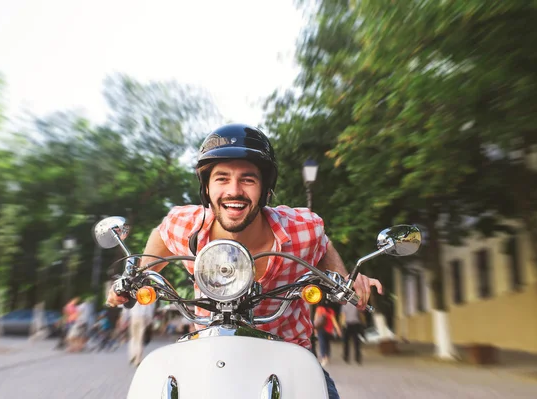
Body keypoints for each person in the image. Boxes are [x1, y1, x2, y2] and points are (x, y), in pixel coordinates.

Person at [106, 123, 383, 399]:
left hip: (289, 356)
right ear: (206, 189)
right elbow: (162, 235)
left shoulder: (302, 228)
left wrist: (347, 279)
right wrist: (138, 275)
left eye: (248, 179)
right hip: (210, 353)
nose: (234, 190)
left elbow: (322, 246)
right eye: (222, 178)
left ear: (265, 189)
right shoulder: (185, 224)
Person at [314, 298, 342, 367]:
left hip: (321, 329)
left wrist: (315, 329)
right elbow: (334, 321)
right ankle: (328, 356)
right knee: (327, 343)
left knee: (322, 343)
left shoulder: (319, 309)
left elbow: (316, 319)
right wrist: (338, 330)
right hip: (329, 330)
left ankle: (324, 357)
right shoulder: (331, 311)